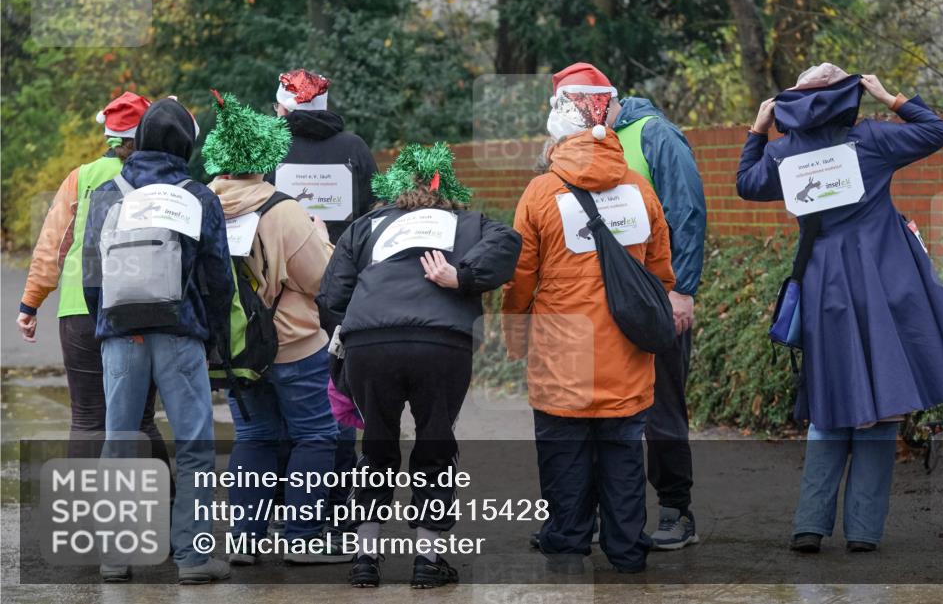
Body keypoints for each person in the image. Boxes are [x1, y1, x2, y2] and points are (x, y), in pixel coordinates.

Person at [736, 64, 943, 553]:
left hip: (825, 284)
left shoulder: (785, 153)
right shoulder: (870, 139)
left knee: (830, 401)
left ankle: (809, 525)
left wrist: (758, 130)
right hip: (886, 279)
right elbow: (938, 132)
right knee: (885, 401)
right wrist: (891, 97)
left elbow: (747, 183)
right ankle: (864, 533)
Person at [316, 142, 521, 588]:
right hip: (441, 344)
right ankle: (427, 560)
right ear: (446, 188)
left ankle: (365, 558)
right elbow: (509, 241)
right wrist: (463, 277)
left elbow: (331, 296)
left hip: (371, 345)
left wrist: (351, 334)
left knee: (376, 446)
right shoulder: (469, 223)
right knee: (436, 444)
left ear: (396, 187)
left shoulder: (366, 226)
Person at [502, 66, 675, 574]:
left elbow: (520, 279)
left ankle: (567, 544)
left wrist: (516, 338)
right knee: (623, 458)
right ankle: (627, 550)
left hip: (561, 357)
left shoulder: (539, 194)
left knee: (564, 458)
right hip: (627, 351)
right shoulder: (640, 189)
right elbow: (661, 272)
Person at [83, 97, 234, 584]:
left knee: (119, 443)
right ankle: (192, 558)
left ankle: (115, 556)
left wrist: (107, 325)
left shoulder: (107, 193)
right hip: (180, 333)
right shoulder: (198, 196)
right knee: (194, 446)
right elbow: (219, 278)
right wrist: (213, 338)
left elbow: (92, 274)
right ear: (187, 145)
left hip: (121, 334)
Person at [201, 91, 344, 565]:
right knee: (314, 434)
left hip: (235, 348)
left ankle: (245, 540)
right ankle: (303, 539)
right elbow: (322, 280)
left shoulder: (202, 205)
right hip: (293, 345)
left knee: (255, 436)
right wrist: (320, 236)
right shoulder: (281, 210)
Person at [16, 92, 170, 461]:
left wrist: (30, 304)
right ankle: (163, 494)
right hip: (140, 307)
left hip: (79, 308)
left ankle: (84, 495)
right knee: (141, 420)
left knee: (87, 420)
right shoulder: (159, 179)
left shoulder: (81, 177)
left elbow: (53, 244)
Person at [607, 74, 707, 550]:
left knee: (662, 407)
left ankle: (675, 511)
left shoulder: (654, 135)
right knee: (603, 411)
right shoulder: (580, 143)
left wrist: (682, 289)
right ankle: (601, 517)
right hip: (603, 303)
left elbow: (686, 210)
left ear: (600, 101)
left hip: (658, 298)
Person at [266, 68, 379, 242]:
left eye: (277, 106)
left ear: (286, 110)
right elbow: (375, 207)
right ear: (324, 107)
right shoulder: (354, 147)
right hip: (345, 254)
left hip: (282, 253)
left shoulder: (268, 148)